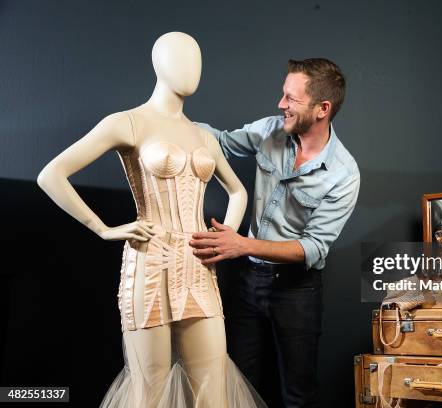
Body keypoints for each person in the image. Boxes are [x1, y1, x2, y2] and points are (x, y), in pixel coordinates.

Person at [37, 32, 265, 408]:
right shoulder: (128, 123)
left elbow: (238, 191)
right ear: (159, 64)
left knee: (213, 387)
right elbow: (52, 175)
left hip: (197, 268)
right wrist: (103, 228)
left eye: (197, 61)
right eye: (181, 59)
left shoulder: (202, 137)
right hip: (149, 264)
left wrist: (223, 238)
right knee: (149, 390)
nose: (192, 70)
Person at [190, 58, 360, 407]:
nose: (281, 104)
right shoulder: (271, 129)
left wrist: (241, 244)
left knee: (298, 394)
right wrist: (171, 122)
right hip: (249, 279)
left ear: (322, 109)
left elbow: (312, 247)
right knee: (238, 380)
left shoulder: (344, 174)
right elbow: (220, 142)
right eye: (283, 95)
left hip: (297, 290)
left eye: (290, 98)